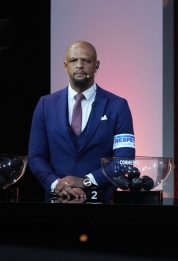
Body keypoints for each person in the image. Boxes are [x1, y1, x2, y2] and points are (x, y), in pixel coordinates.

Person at [28, 40, 135, 200]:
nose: (79, 65)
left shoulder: (118, 106)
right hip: (56, 199)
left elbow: (124, 159)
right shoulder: (45, 105)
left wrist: (86, 181)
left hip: (102, 200)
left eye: (86, 60)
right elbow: (36, 156)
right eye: (73, 60)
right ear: (65, 65)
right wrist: (57, 184)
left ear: (96, 65)